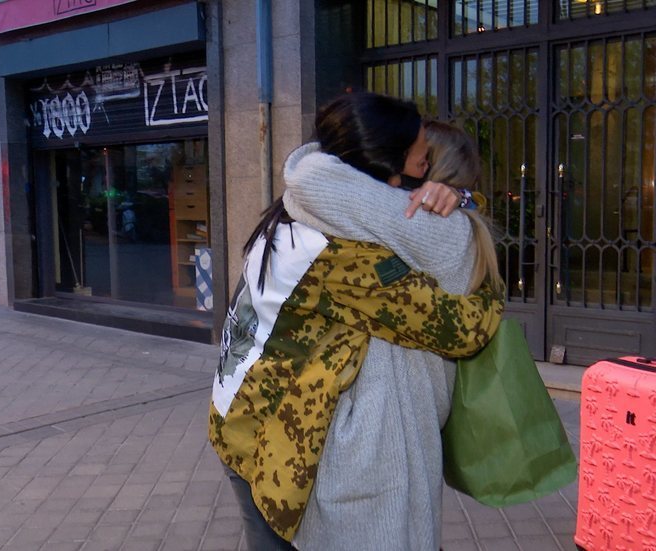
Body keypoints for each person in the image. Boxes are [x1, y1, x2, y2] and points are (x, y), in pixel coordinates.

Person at [208, 93, 504, 550]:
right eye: (421, 162)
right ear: (386, 171)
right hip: (262, 441)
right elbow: (463, 329)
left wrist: (460, 196)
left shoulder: (304, 211)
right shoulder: (343, 257)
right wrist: (487, 280)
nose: (425, 172)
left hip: (246, 417)